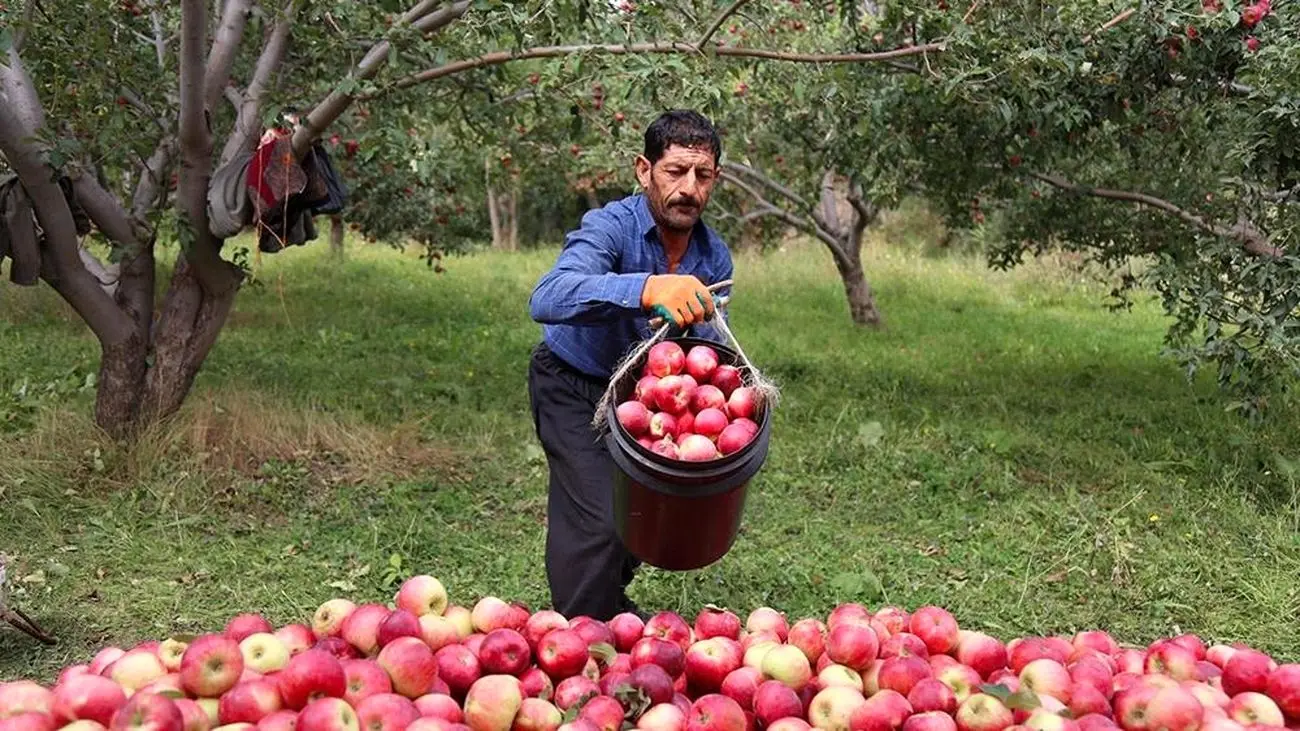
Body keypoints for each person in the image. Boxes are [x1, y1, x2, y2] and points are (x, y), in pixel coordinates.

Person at [526, 109, 735, 621]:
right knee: (598, 520)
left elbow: (698, 350)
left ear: (715, 180)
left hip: (643, 400)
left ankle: (606, 605)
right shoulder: (611, 228)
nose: (688, 188)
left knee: (644, 516)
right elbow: (548, 296)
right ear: (645, 171)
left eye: (702, 176)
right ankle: (583, 642)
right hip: (573, 384)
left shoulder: (713, 259)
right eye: (675, 171)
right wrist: (646, 288)